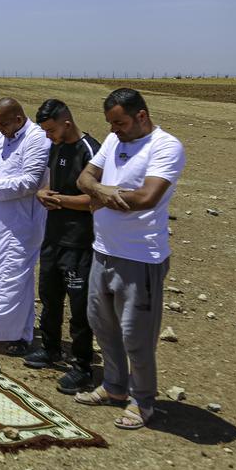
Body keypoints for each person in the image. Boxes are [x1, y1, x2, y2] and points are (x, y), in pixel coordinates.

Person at [75, 88, 186, 430]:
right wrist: (104, 191)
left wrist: (101, 192)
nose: (113, 130)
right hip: (104, 249)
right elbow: (84, 178)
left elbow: (146, 198)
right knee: (102, 326)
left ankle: (143, 401)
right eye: (110, 123)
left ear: (141, 116)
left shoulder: (166, 146)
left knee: (136, 335)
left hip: (140, 256)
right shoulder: (114, 141)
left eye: (119, 122)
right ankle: (114, 386)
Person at [24, 99, 100, 394]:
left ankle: (82, 366)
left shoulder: (90, 150)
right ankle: (51, 348)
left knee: (79, 306)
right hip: (52, 236)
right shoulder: (55, 148)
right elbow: (47, 183)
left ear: (66, 123)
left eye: (51, 130)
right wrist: (44, 194)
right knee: (49, 295)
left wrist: (62, 201)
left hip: (79, 242)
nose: (48, 136)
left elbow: (96, 200)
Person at [0, 98, 51, 353]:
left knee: (13, 276)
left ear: (18, 118)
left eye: (3, 123)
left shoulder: (37, 139)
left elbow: (31, 180)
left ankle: (18, 334)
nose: (0, 129)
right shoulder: (2, 136)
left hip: (19, 222)